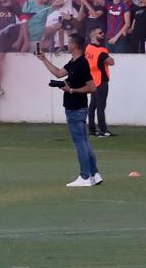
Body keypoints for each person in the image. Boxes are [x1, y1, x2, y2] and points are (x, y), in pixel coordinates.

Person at [36, 35, 101, 189]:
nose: (67, 44)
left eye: (70, 42)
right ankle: (94, 174)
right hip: (76, 107)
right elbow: (59, 73)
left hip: (76, 108)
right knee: (84, 141)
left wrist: (71, 90)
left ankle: (85, 176)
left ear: (75, 46)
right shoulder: (73, 62)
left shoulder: (82, 63)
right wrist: (44, 59)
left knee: (80, 142)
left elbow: (92, 88)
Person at [83, 27, 114, 137]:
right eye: (100, 33)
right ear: (93, 35)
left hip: (92, 80)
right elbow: (111, 62)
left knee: (92, 106)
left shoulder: (88, 48)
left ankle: (92, 130)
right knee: (101, 107)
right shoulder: (101, 51)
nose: (102, 34)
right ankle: (103, 130)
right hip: (101, 80)